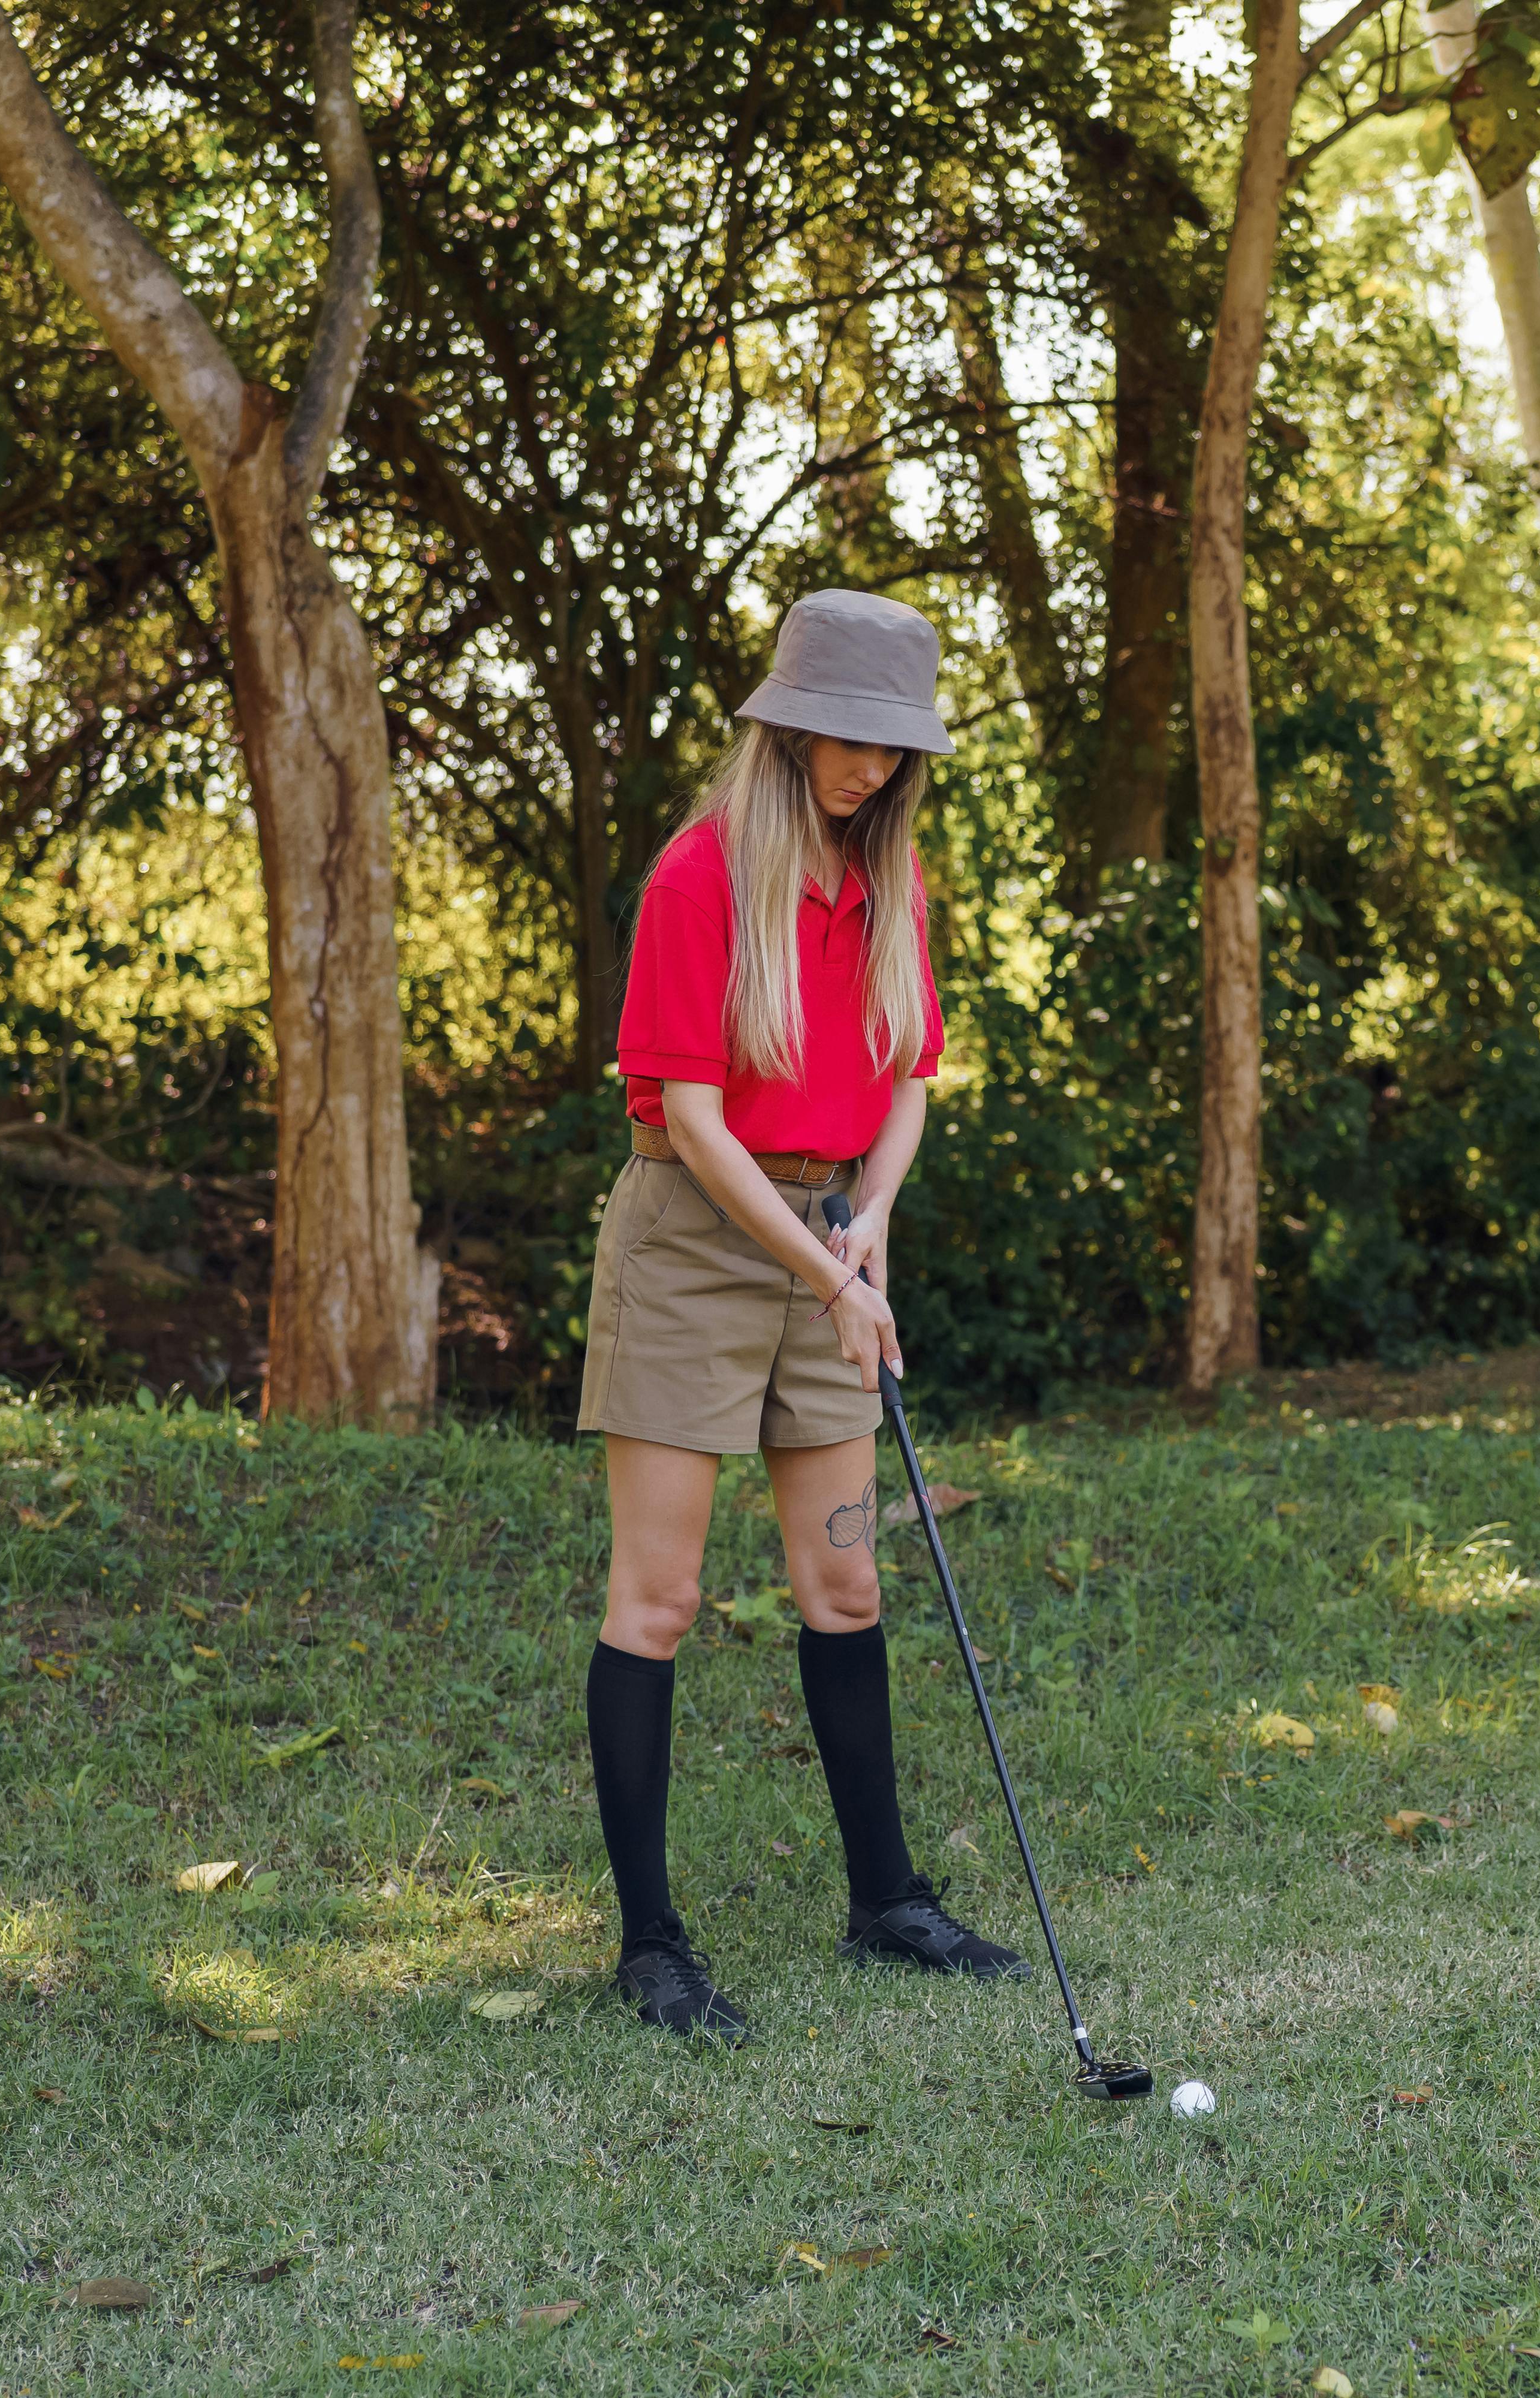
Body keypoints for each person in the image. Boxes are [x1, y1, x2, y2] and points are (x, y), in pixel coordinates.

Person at [576, 589, 1023, 2044]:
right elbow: (696, 1121)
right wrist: (832, 1270)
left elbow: (907, 1076)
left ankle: (886, 1897)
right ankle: (651, 1943)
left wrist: (870, 1217)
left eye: (894, 749)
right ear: (787, 720)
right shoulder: (701, 877)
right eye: (849, 736)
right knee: (661, 1598)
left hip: (828, 1226)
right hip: (695, 1244)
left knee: (847, 1586)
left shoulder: (886, 882)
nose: (871, 768)